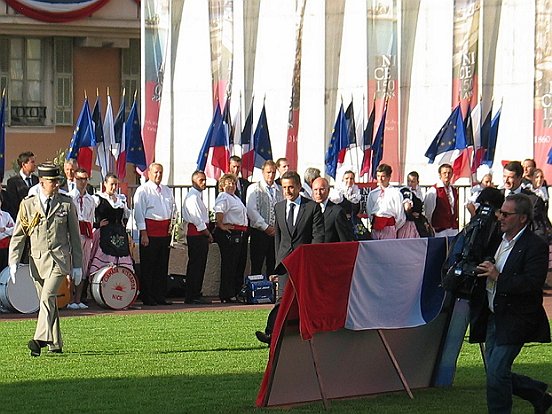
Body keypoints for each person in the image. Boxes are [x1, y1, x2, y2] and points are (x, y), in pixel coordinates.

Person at [470, 193, 552, 413]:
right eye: (500, 212)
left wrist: (498, 276)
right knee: (496, 373)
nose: (500, 217)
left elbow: (532, 283)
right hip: (492, 314)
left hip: (517, 318)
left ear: (522, 218)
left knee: (496, 372)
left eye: (506, 214)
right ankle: (538, 395)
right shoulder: (498, 238)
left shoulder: (535, 246)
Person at [8, 163, 83, 356]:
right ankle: (55, 343)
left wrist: (77, 266)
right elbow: (19, 235)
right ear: (42, 182)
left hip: (58, 260)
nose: (56, 185)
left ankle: (39, 338)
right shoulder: (28, 204)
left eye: (58, 181)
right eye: (52, 181)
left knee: (48, 298)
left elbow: (75, 236)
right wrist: (13, 260)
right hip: (37, 261)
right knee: (48, 303)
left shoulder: (66, 203)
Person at [255, 170, 324, 344]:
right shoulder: (278, 207)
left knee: (305, 299)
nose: (287, 191)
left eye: (291, 187)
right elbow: (278, 238)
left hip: (304, 262)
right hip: (285, 263)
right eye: (284, 188)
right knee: (281, 299)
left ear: (299, 187)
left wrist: (313, 261)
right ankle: (271, 333)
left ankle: (311, 331)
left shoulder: (312, 208)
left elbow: (318, 237)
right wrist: (277, 265)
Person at [133, 163, 176, 306]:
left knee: (162, 266)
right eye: (156, 172)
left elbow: (172, 208)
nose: (158, 175)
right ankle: (148, 296)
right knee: (149, 267)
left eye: (161, 172)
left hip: (164, 233)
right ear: (149, 173)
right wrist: (144, 234)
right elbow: (139, 213)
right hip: (150, 233)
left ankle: (160, 296)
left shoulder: (167, 191)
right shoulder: (143, 190)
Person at [88, 173, 133, 278]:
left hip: (119, 234)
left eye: (116, 185)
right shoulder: (97, 198)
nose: (114, 187)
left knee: (121, 264)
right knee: (103, 265)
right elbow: (87, 214)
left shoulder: (121, 200)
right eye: (111, 184)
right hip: (103, 235)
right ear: (105, 184)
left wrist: (125, 229)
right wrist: (97, 224)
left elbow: (125, 217)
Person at [213, 173, 249, 303]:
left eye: (233, 183)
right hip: (231, 234)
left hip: (241, 233)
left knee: (238, 264)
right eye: (228, 183)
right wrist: (221, 225)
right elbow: (219, 210)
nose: (231, 186)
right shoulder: (224, 196)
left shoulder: (235, 198)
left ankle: (235, 290)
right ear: (222, 186)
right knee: (230, 264)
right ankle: (227, 293)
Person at [246, 160, 283, 276]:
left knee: (273, 263)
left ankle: (272, 290)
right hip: (259, 232)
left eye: (273, 172)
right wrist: (265, 227)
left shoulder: (280, 190)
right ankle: (256, 292)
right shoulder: (254, 188)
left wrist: (277, 228)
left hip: (275, 233)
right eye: (268, 172)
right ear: (263, 172)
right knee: (257, 264)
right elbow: (251, 210)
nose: (271, 175)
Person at [181, 171, 213, 305]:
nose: (204, 183)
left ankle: (195, 292)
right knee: (196, 265)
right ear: (194, 182)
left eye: (204, 180)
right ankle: (192, 295)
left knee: (199, 265)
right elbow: (197, 219)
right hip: (197, 235)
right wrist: (207, 233)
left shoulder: (197, 196)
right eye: (201, 180)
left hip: (200, 233)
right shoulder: (192, 197)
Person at [67, 168, 95, 310]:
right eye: (79, 179)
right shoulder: (70, 197)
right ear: (74, 179)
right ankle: (70, 298)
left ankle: (78, 299)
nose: (82, 182)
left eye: (85, 179)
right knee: (72, 267)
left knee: (83, 268)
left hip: (86, 235)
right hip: (74, 234)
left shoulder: (91, 199)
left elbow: (90, 218)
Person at [366, 163, 405, 240]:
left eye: (383, 176)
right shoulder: (373, 193)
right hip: (376, 226)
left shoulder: (395, 193)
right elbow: (369, 211)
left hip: (389, 227)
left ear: (389, 177)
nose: (380, 179)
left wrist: (393, 227)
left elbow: (400, 214)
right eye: (378, 176)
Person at [312, 177, 353, 242]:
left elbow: (344, 240)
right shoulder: (308, 210)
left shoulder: (337, 212)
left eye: (322, 189)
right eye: (315, 190)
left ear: (328, 190)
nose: (318, 193)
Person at [424, 163, 459, 237]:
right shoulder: (433, 190)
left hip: (453, 228)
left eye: (449, 173)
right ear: (440, 175)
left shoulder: (453, 190)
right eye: (444, 173)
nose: (447, 175)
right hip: (439, 229)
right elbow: (428, 212)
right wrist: (431, 226)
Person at [6, 151, 38, 220]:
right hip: (21, 219)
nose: (35, 164)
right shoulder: (12, 182)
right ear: (24, 164)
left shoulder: (36, 180)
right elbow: (13, 205)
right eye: (32, 162)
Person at [0, 192, 15, 270]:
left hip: (5, 247)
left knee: (5, 270)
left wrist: (5, 229)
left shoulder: (6, 215)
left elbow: (14, 230)